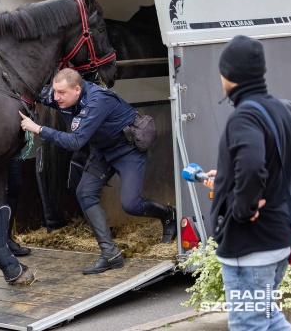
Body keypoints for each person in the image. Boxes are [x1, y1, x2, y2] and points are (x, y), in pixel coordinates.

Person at [19, 68, 177, 274]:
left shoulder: (97, 100)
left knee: (131, 204)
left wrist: (39, 128)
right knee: (85, 193)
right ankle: (110, 254)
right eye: (55, 92)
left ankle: (167, 215)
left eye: (61, 93)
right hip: (102, 151)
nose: (55, 98)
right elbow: (30, 90)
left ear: (77, 89)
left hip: (127, 149)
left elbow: (76, 141)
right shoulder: (60, 95)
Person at [201, 35, 291, 331]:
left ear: (228, 74)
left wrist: (243, 208)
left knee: (250, 324)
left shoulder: (243, 117)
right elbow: (271, 162)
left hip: (250, 247)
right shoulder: (283, 109)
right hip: (278, 238)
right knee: (266, 318)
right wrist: (230, 178)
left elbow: (255, 168)